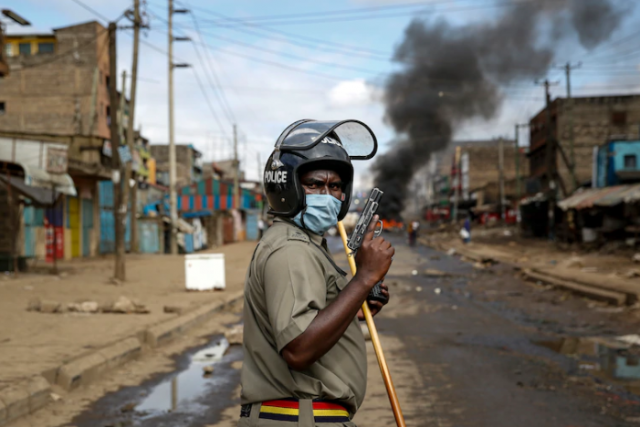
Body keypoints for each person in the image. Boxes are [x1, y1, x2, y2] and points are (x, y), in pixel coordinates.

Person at [239, 119, 394, 426]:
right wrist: (363, 278)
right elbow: (298, 349)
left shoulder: (307, 245)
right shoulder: (290, 250)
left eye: (335, 186)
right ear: (287, 186)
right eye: (314, 184)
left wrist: (353, 307)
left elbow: (309, 318)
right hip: (300, 417)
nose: (327, 194)